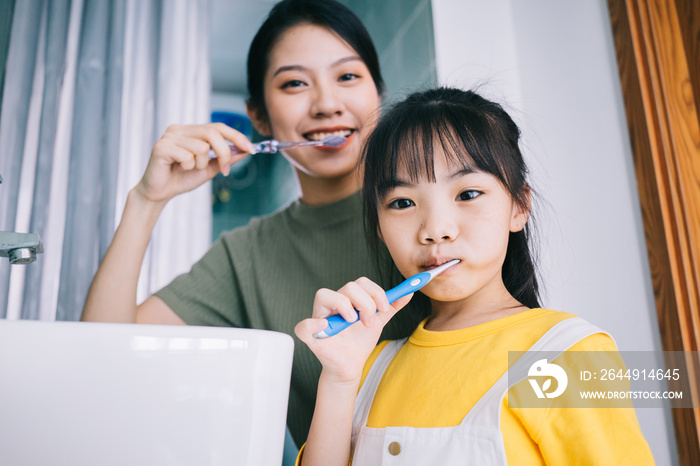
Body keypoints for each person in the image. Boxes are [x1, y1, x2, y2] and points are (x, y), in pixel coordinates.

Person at [81, 0, 430, 447]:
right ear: (259, 117)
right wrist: (146, 200)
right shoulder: (246, 256)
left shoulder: (439, 214)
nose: (326, 104)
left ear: (377, 95)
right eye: (294, 83)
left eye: (347, 76)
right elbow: (101, 359)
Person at [294, 87, 654, 465]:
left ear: (519, 206)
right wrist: (339, 379)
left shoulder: (567, 355)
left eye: (467, 194)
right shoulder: (368, 366)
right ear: (379, 228)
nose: (435, 229)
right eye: (402, 202)